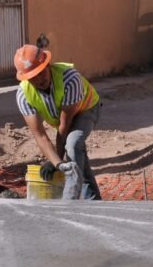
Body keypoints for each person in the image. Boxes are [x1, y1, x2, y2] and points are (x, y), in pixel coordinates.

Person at [14, 42, 102, 200]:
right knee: (77, 157)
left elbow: (64, 126)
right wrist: (57, 163)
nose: (39, 79)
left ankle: (69, 201)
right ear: (26, 79)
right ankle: (93, 202)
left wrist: (57, 160)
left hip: (87, 108)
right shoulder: (23, 94)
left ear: (48, 65)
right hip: (62, 120)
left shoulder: (69, 79)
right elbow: (40, 136)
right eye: (33, 77)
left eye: (41, 72)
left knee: (73, 144)